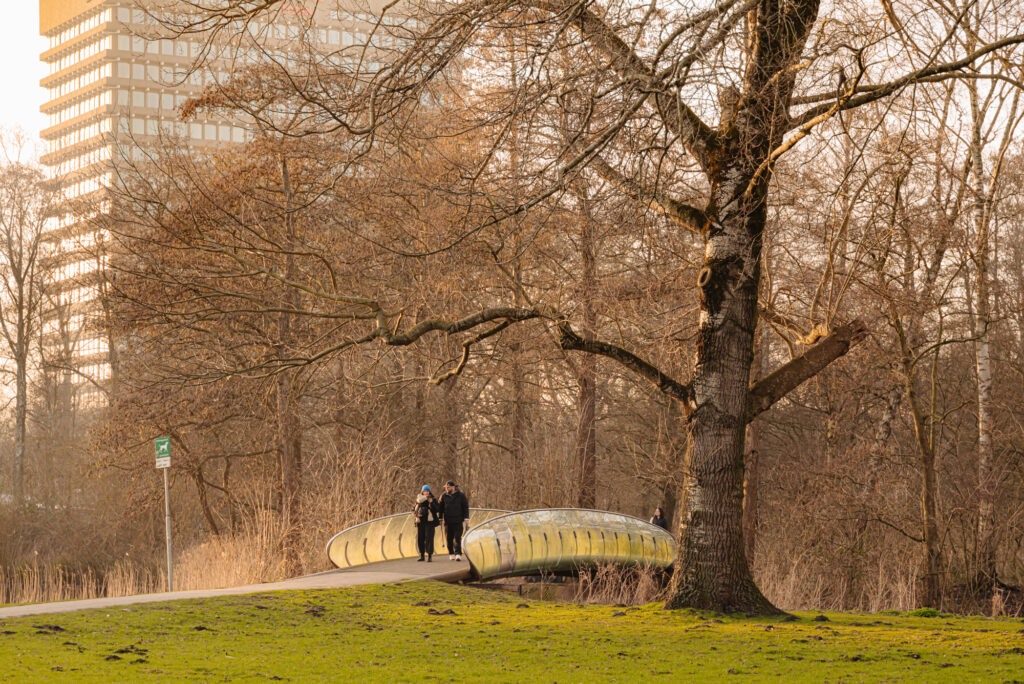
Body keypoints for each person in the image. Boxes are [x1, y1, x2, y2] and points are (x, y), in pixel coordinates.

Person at [439, 480, 470, 561]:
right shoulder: (443, 496)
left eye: (448, 487)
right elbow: (440, 508)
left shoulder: (461, 495)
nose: (446, 489)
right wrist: (440, 518)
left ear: (453, 487)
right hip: (448, 521)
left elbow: (465, 507)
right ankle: (451, 553)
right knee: (449, 538)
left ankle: (458, 554)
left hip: (458, 520)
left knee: (457, 537)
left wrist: (466, 518)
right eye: (446, 487)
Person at [413, 485, 440, 562]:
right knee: (420, 539)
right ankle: (422, 555)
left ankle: (430, 556)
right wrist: (416, 514)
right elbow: (413, 509)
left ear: (429, 492)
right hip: (420, 521)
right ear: (422, 492)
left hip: (430, 522)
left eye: (427, 491)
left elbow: (437, 509)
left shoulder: (433, 499)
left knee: (429, 539)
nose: (426, 492)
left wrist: (431, 503)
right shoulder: (418, 500)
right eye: (425, 491)